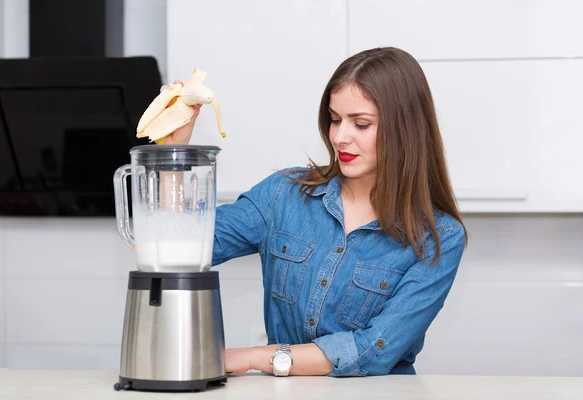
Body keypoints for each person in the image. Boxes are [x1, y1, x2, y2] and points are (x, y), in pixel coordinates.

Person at [161, 47, 468, 377]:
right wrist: (170, 153)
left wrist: (253, 357)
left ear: (404, 130)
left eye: (361, 124)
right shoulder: (284, 193)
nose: (340, 137)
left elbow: (374, 349)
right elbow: (178, 247)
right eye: (335, 120)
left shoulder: (439, 238)